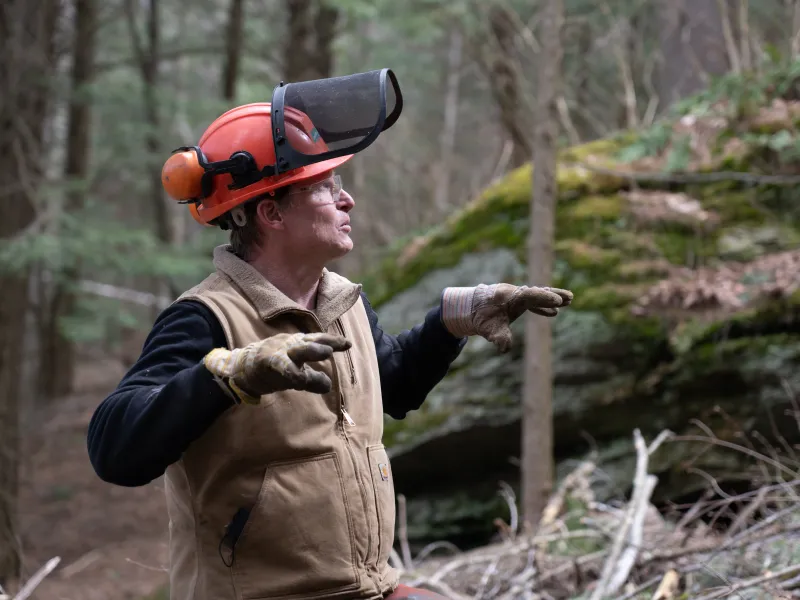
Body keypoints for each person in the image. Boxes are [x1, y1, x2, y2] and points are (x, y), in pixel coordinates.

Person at [86, 72, 572, 600]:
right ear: (271, 212)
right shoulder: (204, 318)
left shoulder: (342, 300)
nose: (348, 202)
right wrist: (230, 376)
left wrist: (452, 319)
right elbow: (115, 449)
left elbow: (396, 385)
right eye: (325, 187)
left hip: (365, 589)